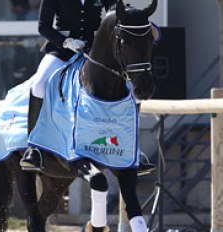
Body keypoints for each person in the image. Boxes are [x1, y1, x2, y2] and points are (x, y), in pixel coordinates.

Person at [20, 0, 155, 174]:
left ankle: (132, 148)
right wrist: (66, 42)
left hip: (95, 52)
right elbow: (43, 27)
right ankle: (34, 148)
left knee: (131, 90)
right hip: (62, 50)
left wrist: (134, 17)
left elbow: (116, 12)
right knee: (39, 85)